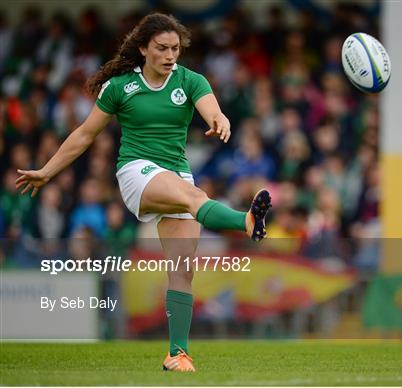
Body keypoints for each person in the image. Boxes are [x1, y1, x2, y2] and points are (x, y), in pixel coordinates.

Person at [15, 13, 271, 372]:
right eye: (162, 48)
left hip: (177, 173)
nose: (170, 56)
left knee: (182, 269)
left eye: (175, 49)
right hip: (137, 173)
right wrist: (46, 170)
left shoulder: (190, 80)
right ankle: (245, 220)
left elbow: (211, 109)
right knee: (193, 198)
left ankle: (177, 354)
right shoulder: (120, 87)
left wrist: (221, 120)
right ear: (143, 49)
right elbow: (85, 135)